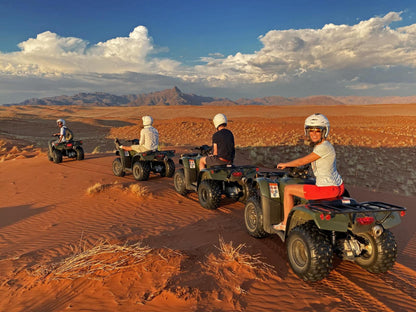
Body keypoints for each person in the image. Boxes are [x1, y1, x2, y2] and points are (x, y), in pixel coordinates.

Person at [275, 113, 344, 231]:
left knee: (288, 189)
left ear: (324, 131)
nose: (314, 134)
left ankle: (286, 223)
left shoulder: (322, 147)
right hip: (337, 186)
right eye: (311, 131)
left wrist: (286, 164)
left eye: (317, 131)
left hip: (326, 189)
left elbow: (303, 160)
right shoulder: (325, 146)